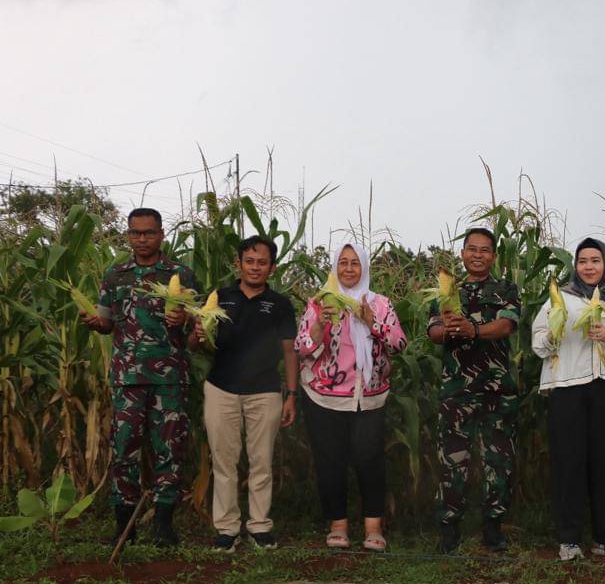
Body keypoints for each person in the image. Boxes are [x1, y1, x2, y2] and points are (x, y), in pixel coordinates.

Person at [82, 207, 195, 546]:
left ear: (161, 234)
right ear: (128, 235)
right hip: (127, 377)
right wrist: (96, 323)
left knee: (170, 449)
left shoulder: (180, 274)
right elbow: (107, 322)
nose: (142, 239)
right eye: (135, 233)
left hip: (169, 377)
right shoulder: (115, 275)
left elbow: (198, 323)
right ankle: (124, 525)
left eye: (149, 232)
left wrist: (185, 320)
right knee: (123, 449)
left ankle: (163, 524)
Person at [189, 235, 298, 553]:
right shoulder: (220, 297)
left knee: (261, 461)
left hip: (264, 392)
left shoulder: (280, 305)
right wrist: (197, 333)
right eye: (249, 261)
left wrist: (292, 394)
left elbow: (290, 351)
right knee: (224, 461)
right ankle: (227, 529)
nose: (255, 267)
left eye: (262, 262)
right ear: (239, 264)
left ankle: (260, 526)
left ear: (272, 267)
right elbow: (195, 345)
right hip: (221, 388)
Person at [295, 242, 406, 551]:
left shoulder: (380, 304)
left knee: (370, 461)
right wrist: (320, 325)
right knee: (330, 462)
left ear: (364, 267)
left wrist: (372, 322)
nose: (348, 268)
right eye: (342, 262)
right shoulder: (320, 303)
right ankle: (338, 526)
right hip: (324, 397)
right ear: (335, 267)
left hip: (369, 397)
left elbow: (400, 344)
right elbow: (301, 348)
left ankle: (373, 528)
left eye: (355, 262)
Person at [532, 238, 605, 561]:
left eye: (595, 260)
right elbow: (537, 342)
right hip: (566, 386)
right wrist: (554, 333)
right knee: (569, 462)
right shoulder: (561, 297)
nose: (589, 267)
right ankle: (569, 540)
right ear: (575, 266)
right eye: (582, 261)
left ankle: (604, 538)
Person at [427, 227, 520, 554]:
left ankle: (493, 530)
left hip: (497, 391)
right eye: (472, 249)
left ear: (493, 256)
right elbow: (433, 332)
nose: (478, 255)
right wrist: (449, 329)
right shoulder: (447, 291)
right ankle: (449, 529)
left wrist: (474, 330)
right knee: (453, 461)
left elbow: (507, 325)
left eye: (484, 250)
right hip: (457, 391)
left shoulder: (506, 289)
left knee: (499, 462)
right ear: (463, 253)